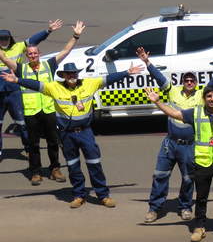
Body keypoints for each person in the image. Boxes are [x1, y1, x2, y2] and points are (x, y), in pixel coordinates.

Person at [2, 60, 144, 208]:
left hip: (85, 132)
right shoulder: (54, 87)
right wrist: (17, 80)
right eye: (68, 74)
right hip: (66, 135)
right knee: (73, 166)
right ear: (63, 75)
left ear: (77, 73)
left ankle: (103, 195)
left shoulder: (90, 84)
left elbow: (108, 79)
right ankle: (78, 195)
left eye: (74, 73)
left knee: (94, 164)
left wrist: (127, 72)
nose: (72, 76)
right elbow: (36, 85)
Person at [137, 47, 213, 223]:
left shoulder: (200, 96)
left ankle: (185, 207)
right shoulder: (172, 90)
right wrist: (146, 62)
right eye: (186, 80)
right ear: (183, 82)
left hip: (190, 145)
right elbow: (159, 77)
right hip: (170, 144)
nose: (189, 82)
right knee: (160, 175)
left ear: (196, 83)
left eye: (192, 80)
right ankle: (154, 208)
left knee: (189, 179)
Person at [147, 78, 213, 242]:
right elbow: (174, 114)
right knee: (201, 198)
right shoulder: (195, 112)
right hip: (202, 162)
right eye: (209, 96)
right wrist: (158, 102)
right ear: (204, 98)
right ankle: (199, 227)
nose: (212, 99)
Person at [0, 21, 85, 185]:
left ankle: (55, 169)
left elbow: (66, 51)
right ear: (27, 56)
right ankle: (35, 172)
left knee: (53, 141)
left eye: (35, 53)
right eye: (30, 54)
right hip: (31, 111)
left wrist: (76, 35)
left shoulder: (49, 64)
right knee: (33, 144)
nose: (32, 56)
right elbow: (3, 57)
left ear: (39, 54)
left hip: (48, 109)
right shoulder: (21, 69)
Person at [0, 20, 62, 161]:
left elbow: (34, 40)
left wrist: (48, 30)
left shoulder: (18, 47)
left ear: (10, 39)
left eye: (6, 38)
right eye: (1, 39)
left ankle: (29, 149)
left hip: (15, 91)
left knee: (22, 123)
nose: (3, 41)